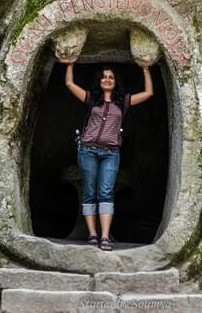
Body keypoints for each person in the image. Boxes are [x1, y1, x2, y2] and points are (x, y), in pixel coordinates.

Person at [64, 63, 153, 251]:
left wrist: (145, 68)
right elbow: (70, 84)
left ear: (115, 82)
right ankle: (92, 235)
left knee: (105, 192)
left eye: (111, 77)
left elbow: (148, 93)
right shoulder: (91, 99)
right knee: (89, 192)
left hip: (111, 153)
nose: (107, 80)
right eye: (104, 77)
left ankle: (104, 237)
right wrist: (70, 63)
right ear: (99, 81)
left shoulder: (123, 102)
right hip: (87, 150)